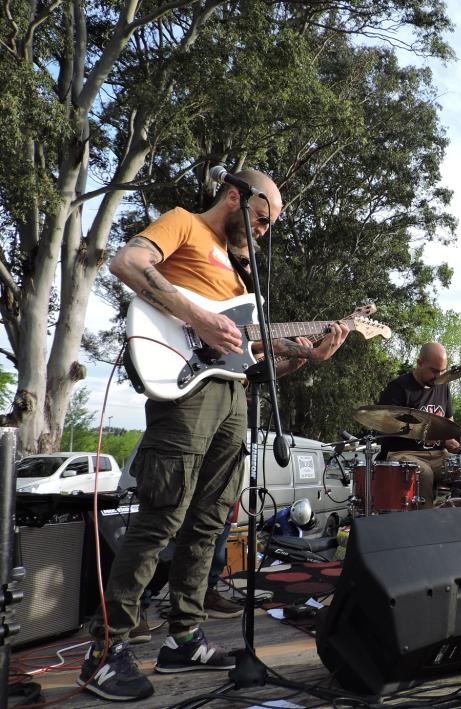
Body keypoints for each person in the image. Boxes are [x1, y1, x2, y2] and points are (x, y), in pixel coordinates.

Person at [81, 170, 350, 702]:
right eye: (260, 219)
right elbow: (127, 263)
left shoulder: (237, 272)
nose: (263, 232)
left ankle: (183, 635)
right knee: (163, 514)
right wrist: (199, 318)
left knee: (210, 520)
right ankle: (103, 650)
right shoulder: (184, 224)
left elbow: (249, 363)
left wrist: (309, 355)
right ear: (234, 197)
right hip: (184, 395)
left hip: (231, 396)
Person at [377, 343, 461, 509]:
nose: (439, 376)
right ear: (419, 363)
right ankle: (426, 526)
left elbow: (448, 423)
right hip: (403, 453)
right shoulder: (398, 388)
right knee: (423, 473)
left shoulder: (443, 387)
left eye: (443, 371)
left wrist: (453, 441)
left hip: (438, 455)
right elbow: (386, 426)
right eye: (434, 371)